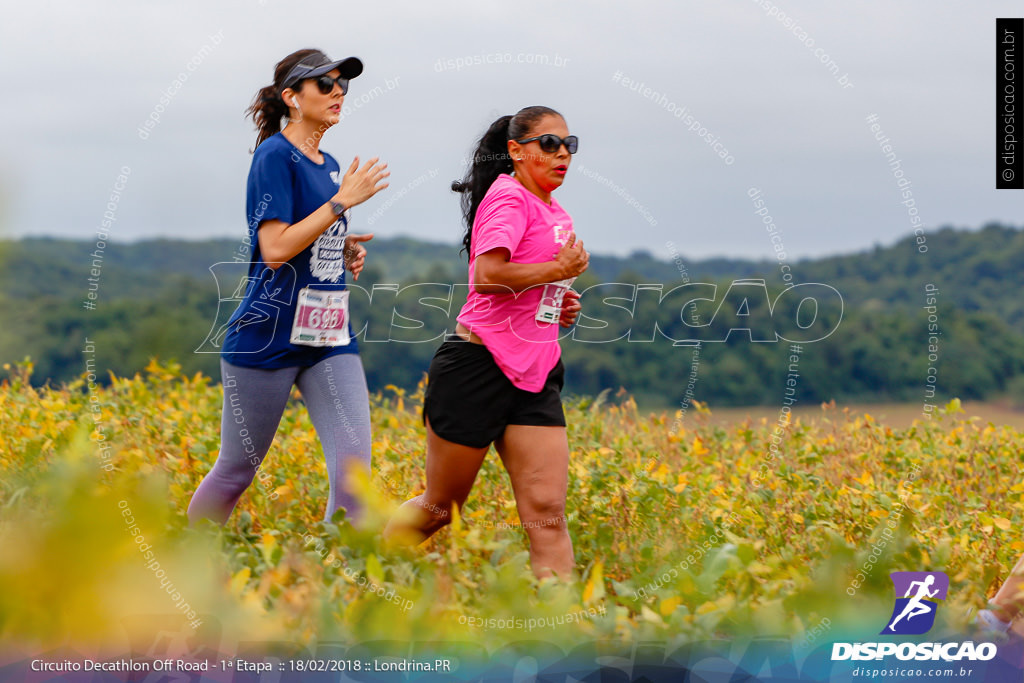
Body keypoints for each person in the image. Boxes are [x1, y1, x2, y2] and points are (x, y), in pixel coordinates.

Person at [384, 106, 588, 579]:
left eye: (569, 145)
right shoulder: (508, 198)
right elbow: (488, 276)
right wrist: (556, 271)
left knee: (547, 513)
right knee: (439, 508)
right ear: (516, 151)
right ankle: (354, 570)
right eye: (549, 144)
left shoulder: (556, 212)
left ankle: (563, 633)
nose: (562, 155)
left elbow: (528, 286)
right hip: (477, 367)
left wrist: (558, 305)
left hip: (535, 374)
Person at [187, 48, 389, 525]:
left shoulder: (331, 161)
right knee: (237, 470)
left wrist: (341, 248)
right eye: (325, 83)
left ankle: (337, 586)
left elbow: (309, 236)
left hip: (327, 337)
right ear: (292, 98)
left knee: (355, 474)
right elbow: (274, 248)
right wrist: (340, 205)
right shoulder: (274, 156)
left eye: (343, 84)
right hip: (268, 336)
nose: (338, 91)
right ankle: (186, 563)